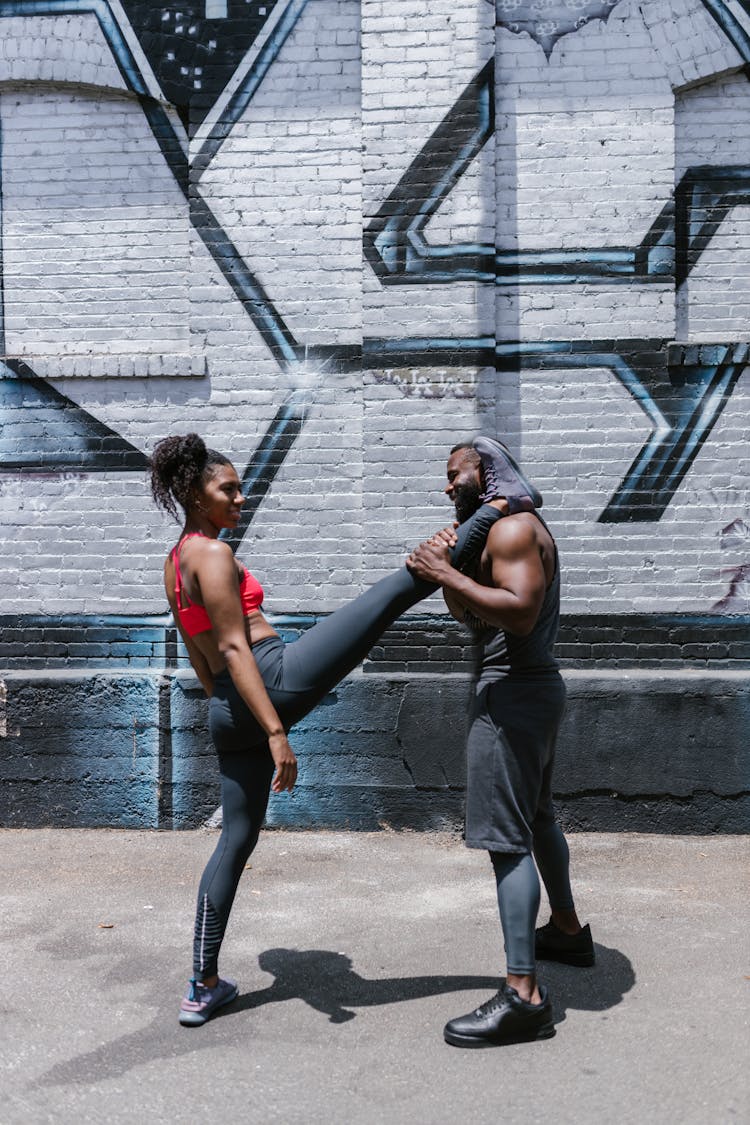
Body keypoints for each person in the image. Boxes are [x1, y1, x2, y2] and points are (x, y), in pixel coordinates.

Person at [148, 433, 537, 1027]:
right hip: (271, 678)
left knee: (234, 841)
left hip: (227, 708)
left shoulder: (174, 563)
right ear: (196, 496)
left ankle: (201, 985)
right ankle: (497, 507)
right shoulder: (216, 556)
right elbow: (233, 644)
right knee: (389, 596)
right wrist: (276, 732)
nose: (241, 498)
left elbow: (203, 660)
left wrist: (231, 713)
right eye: (228, 490)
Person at [406, 437, 594, 1049]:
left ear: (484, 473)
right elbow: (474, 618)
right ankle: (565, 931)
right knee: (537, 817)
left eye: (454, 474)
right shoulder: (496, 533)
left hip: (512, 696)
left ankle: (524, 997)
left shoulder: (513, 532)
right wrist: (450, 574)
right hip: (524, 692)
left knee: (505, 841)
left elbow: (516, 611)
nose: (446, 486)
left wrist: (439, 570)